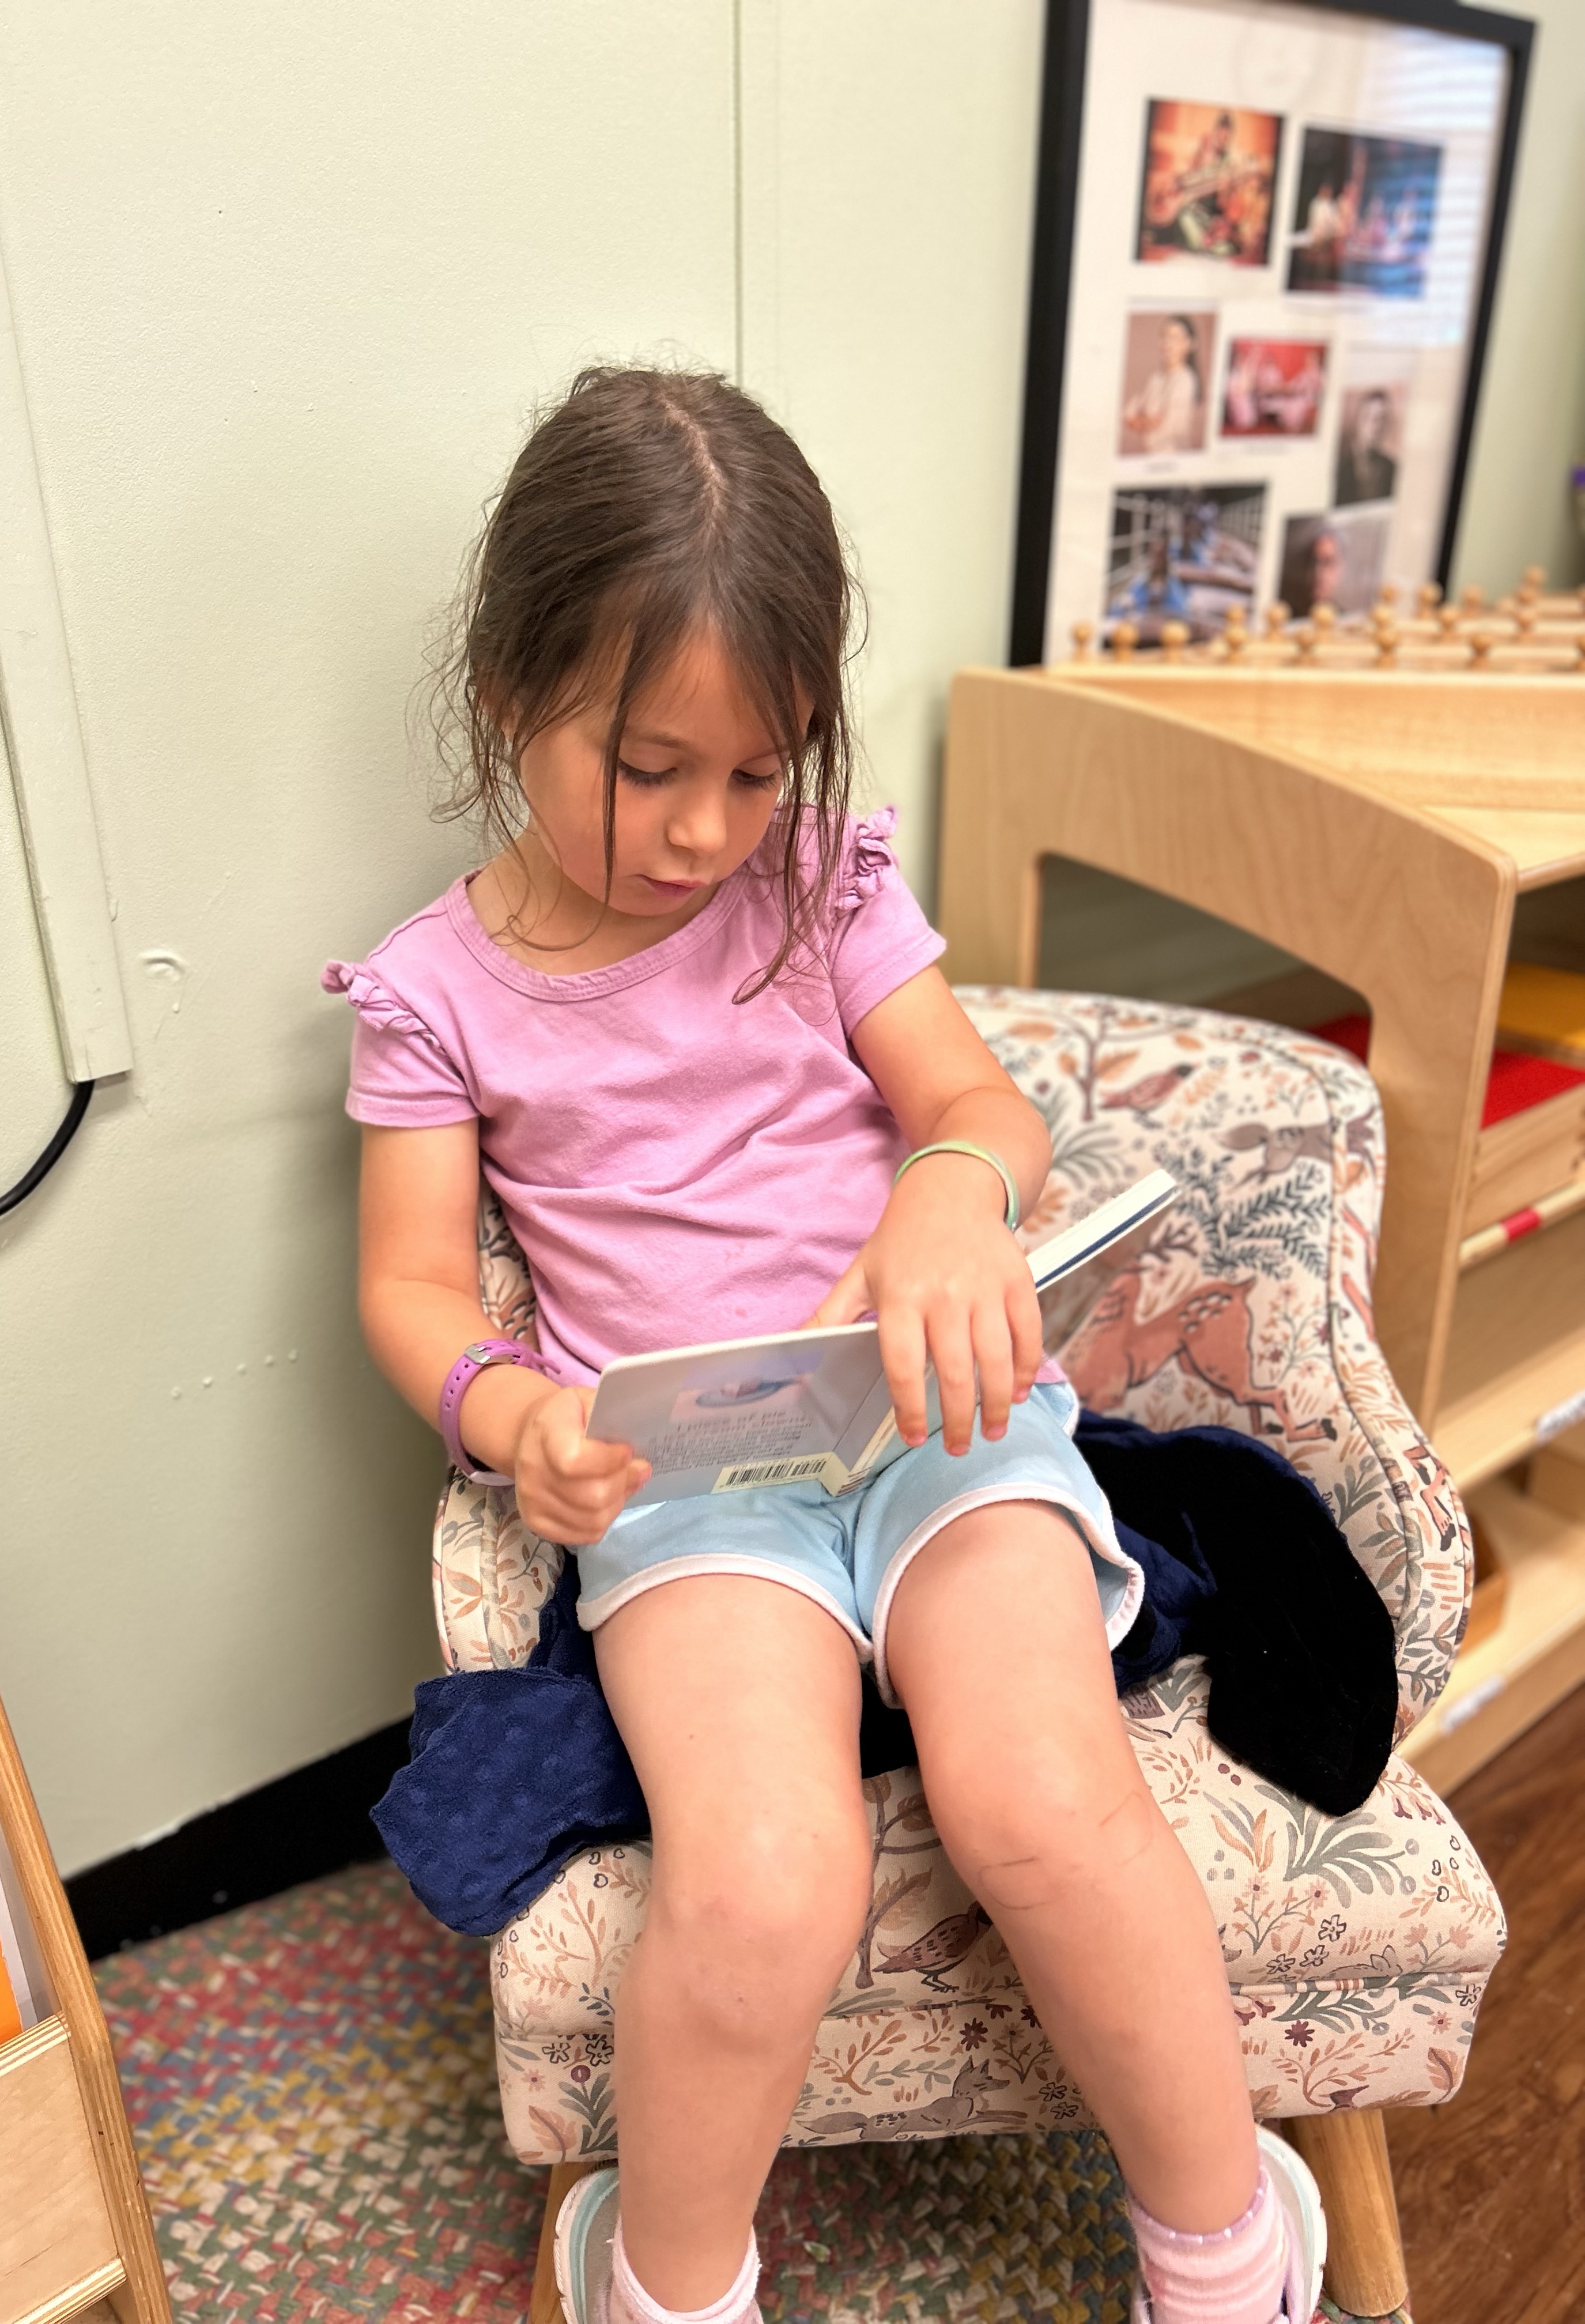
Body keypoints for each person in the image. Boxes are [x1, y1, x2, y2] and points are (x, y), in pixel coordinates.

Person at [325, 367, 1325, 2324]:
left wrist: (951, 1188)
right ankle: (666, 2278)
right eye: (647, 767)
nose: (703, 831)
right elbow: (409, 1285)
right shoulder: (438, 994)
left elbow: (981, 1106)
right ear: (508, 690)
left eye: (755, 771)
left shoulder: (822, 888)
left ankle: (1227, 2247)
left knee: (1046, 1804)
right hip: (693, 1489)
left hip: (939, 1423)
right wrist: (509, 1414)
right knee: (767, 1882)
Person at [1121, 316, 1205, 454]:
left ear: (1189, 344)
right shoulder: (1156, 379)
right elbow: (1129, 412)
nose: (1167, 342)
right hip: (1148, 455)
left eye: (1174, 338)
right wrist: (1148, 422)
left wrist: (1141, 421)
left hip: (1173, 456)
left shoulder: (1186, 380)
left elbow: (1167, 428)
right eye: (1164, 336)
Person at [1335, 390, 1397, 505]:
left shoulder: (1391, 468)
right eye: (1371, 418)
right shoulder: (1339, 463)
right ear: (1358, 420)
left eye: (1382, 420)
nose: (1377, 427)